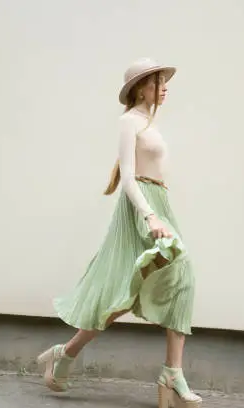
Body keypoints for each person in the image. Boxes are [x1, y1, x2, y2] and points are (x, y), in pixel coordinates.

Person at [37, 57, 201, 408]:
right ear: (142, 87)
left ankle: (169, 372)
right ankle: (66, 355)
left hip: (159, 201)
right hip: (141, 208)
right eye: (158, 82)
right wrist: (149, 217)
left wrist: (159, 210)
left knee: (167, 280)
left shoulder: (150, 123)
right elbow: (128, 178)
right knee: (130, 287)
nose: (165, 87)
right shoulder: (129, 122)